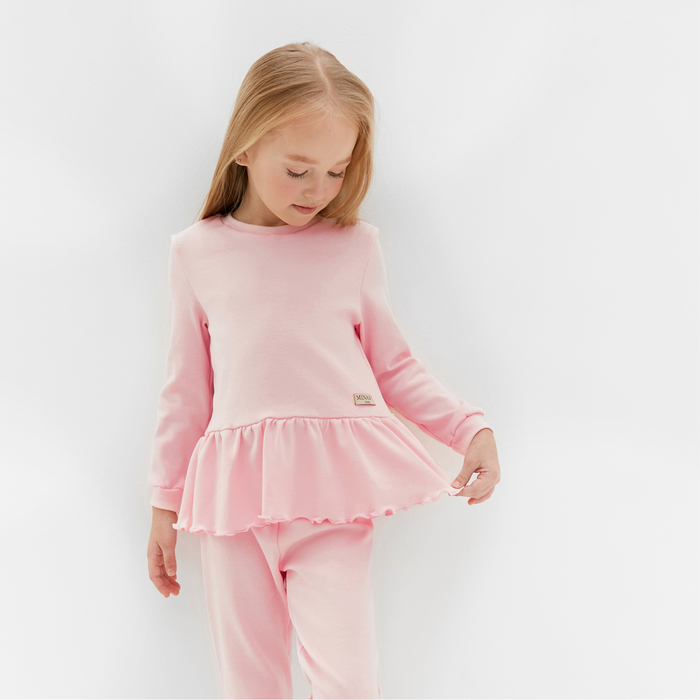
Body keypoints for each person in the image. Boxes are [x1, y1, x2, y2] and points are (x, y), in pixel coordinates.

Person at [145, 41, 500, 700]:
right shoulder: (196, 252)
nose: (319, 190)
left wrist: (467, 428)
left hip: (331, 493)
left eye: (336, 171)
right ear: (245, 147)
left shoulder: (353, 247)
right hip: (233, 503)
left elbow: (393, 364)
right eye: (298, 170)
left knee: (349, 681)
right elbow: (185, 390)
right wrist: (165, 505)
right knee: (251, 685)